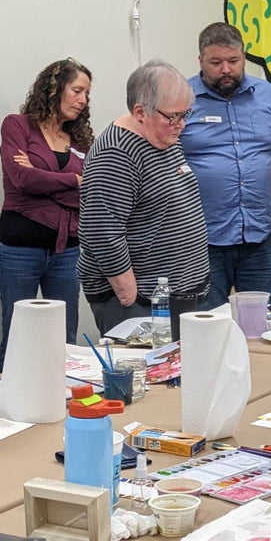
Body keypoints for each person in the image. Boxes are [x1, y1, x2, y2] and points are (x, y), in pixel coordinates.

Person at [78, 58, 210, 335]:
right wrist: (130, 298)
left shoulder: (163, 138)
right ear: (140, 111)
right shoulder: (116, 154)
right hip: (142, 302)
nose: (181, 125)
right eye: (174, 116)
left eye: (186, 114)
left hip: (176, 295)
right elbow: (102, 231)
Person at [180, 22, 271, 311]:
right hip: (201, 240)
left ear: (243, 57)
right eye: (216, 62)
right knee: (204, 328)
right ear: (200, 61)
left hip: (257, 237)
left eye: (233, 61)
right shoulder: (181, 99)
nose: (226, 69)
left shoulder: (266, 94)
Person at [0, 58, 93, 372]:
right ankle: (2, 403)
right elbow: (22, 179)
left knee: (64, 335)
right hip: (20, 250)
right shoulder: (17, 125)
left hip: (68, 251)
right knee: (17, 333)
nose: (83, 100)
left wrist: (43, 179)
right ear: (54, 89)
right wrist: (71, 181)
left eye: (87, 94)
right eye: (77, 90)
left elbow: (89, 191)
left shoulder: (80, 141)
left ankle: (61, 403)